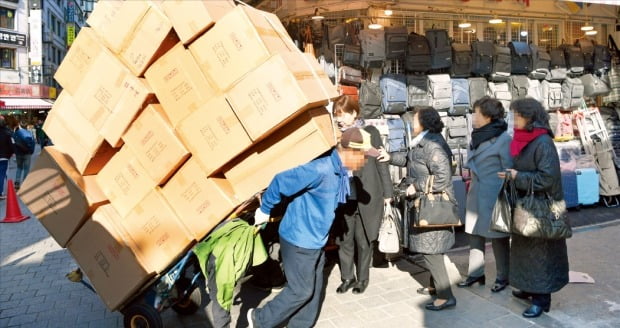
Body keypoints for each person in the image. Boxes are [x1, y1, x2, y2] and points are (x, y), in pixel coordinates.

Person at [247, 144, 358, 328]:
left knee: (314, 289)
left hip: (316, 239)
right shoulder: (319, 169)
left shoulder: (342, 173)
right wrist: (265, 209)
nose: (363, 162)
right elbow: (280, 181)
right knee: (301, 291)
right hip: (298, 239)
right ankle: (259, 319)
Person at [378, 106, 457, 311]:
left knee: (431, 252)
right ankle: (435, 286)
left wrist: (418, 186)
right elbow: (409, 161)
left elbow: (443, 177)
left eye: (414, 120)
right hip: (424, 204)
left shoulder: (433, 145)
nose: (410, 123)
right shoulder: (421, 142)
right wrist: (390, 157)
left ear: (424, 123)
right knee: (430, 248)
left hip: (433, 205)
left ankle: (446, 295)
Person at [497, 98, 569, 318]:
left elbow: (548, 178)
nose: (513, 120)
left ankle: (541, 298)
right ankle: (529, 287)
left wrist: (518, 176)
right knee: (524, 249)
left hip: (542, 210)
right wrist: (513, 175)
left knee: (541, 254)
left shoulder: (543, 142)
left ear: (528, 117)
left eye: (517, 115)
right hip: (526, 205)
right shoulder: (525, 139)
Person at [332, 95, 393, 295]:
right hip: (345, 194)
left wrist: (388, 193)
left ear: (354, 113)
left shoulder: (370, 132)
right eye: (336, 115)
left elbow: (381, 161)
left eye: (343, 115)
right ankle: (347, 278)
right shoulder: (334, 136)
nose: (339, 119)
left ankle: (363, 278)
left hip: (368, 192)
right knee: (345, 238)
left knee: (363, 238)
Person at [458, 97, 512, 292]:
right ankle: (476, 274)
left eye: (476, 113)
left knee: (498, 238)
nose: (473, 117)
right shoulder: (476, 136)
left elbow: (510, 168)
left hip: (494, 196)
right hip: (476, 193)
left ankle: (503, 276)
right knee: (474, 235)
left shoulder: (504, 139)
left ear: (488, 116)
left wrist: (504, 177)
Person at [12, 120, 36, 190]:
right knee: (26, 169)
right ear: (26, 126)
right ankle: (25, 183)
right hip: (27, 153)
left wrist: (15, 151)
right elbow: (33, 143)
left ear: (20, 125)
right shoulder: (29, 133)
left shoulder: (16, 133)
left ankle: (17, 182)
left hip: (19, 153)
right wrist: (31, 151)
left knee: (19, 168)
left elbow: (13, 143)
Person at [0, 116, 15, 200]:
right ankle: (0, 193)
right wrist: (11, 153)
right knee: (1, 174)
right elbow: (12, 145)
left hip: (3, 156)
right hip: (3, 157)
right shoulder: (7, 132)